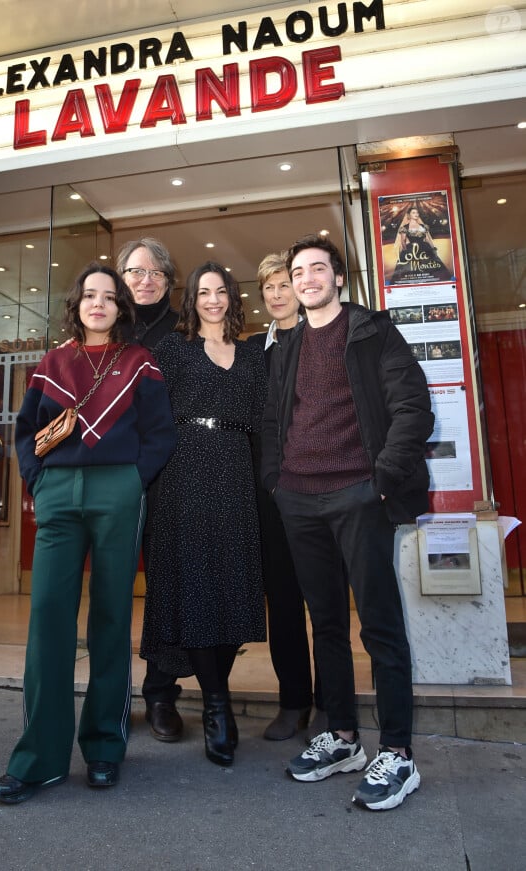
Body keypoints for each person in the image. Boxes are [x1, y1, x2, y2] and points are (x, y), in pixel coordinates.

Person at [0, 263, 176, 804]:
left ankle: (103, 747)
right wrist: (39, 480)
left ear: (122, 308)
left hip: (117, 492)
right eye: (89, 295)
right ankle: (38, 759)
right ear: (77, 304)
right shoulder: (51, 364)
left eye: (109, 297)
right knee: (48, 617)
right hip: (58, 492)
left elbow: (159, 434)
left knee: (113, 617)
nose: (98, 303)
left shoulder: (140, 362)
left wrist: (131, 480)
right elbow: (27, 432)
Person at [261, 234, 434, 811]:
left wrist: (380, 480)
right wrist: (277, 482)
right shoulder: (285, 347)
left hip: (360, 495)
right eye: (297, 271)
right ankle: (341, 737)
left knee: (379, 623)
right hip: (299, 500)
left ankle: (399, 753)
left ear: (339, 277)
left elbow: (413, 408)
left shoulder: (371, 333)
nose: (306, 278)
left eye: (317, 268)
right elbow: (273, 420)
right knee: (325, 623)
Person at [140, 261, 267, 767]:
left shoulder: (254, 354)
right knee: (193, 588)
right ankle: (218, 707)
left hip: (238, 473)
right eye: (203, 292)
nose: (212, 299)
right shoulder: (172, 349)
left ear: (233, 298)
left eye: (221, 291)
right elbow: (149, 418)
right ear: (190, 300)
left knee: (235, 589)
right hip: (183, 473)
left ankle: (218, 693)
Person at [248, 252, 325, 742]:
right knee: (283, 601)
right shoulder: (255, 350)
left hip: (322, 492)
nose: (277, 294)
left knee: (326, 602)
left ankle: (333, 706)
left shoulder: (322, 337)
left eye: (284, 284)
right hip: (272, 496)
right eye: (269, 288)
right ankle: (293, 701)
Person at [116, 237, 184, 743]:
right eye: (135, 272)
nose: (145, 280)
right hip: (109, 475)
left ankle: (161, 693)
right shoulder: (103, 326)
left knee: (165, 584)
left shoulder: (185, 330)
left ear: (168, 280)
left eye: (155, 272)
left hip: (171, 474)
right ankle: (111, 697)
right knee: (112, 587)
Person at [391, 206, 452, 284]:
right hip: (412, 249)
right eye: (413, 213)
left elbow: (427, 239)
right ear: (409, 215)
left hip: (425, 248)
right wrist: (406, 252)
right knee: (411, 269)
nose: (416, 214)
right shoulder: (405, 228)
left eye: (417, 212)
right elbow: (403, 241)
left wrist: (433, 248)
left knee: (431, 268)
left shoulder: (423, 226)